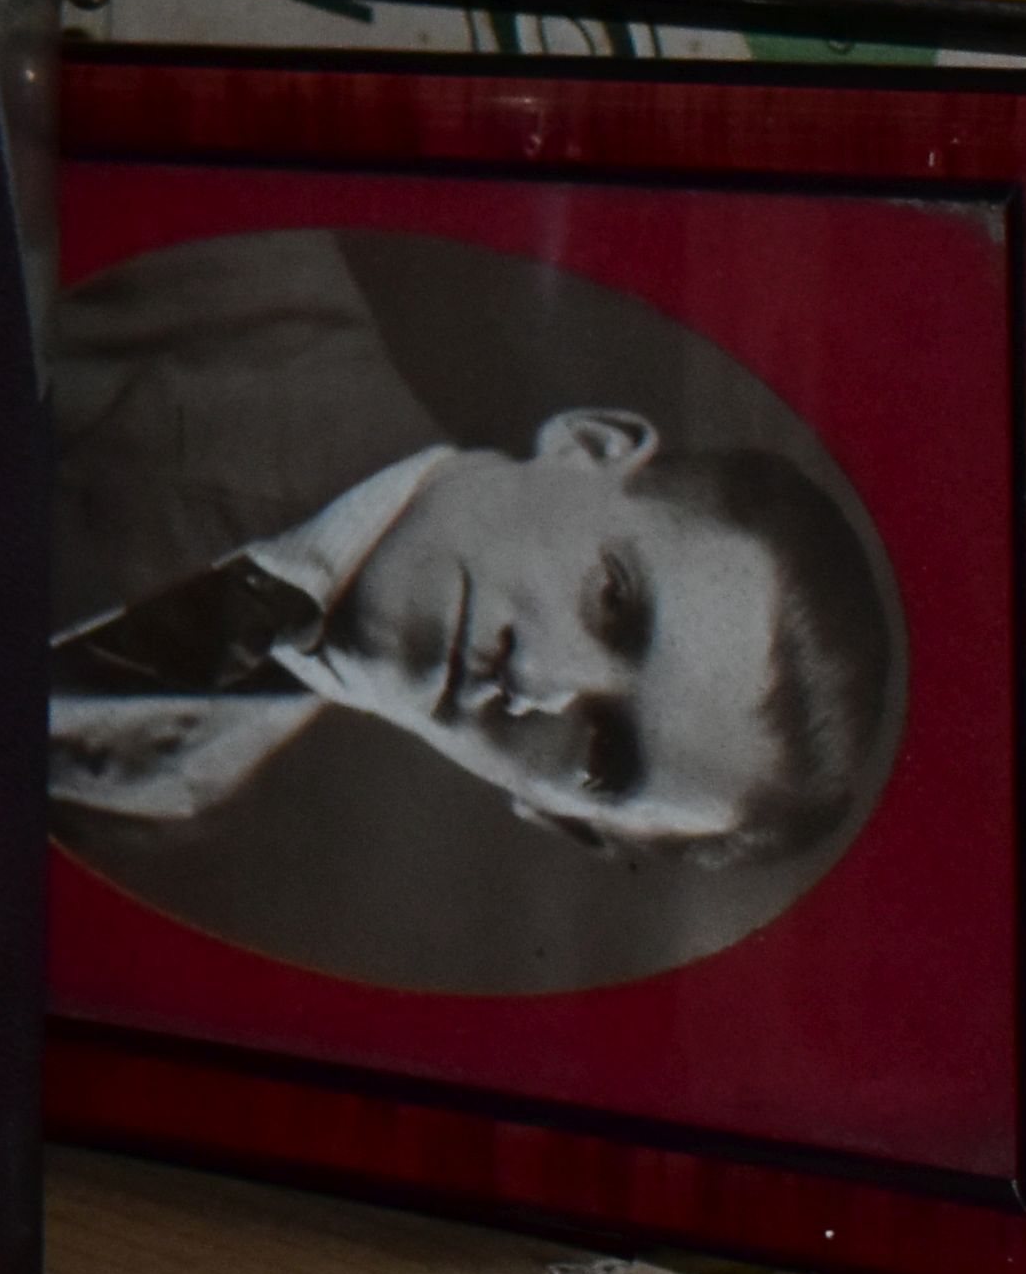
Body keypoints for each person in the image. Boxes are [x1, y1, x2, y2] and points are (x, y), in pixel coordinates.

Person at [50, 229, 902, 870]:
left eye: (605, 756)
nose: (542, 685)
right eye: (613, 602)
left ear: (552, 817)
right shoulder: (220, 273)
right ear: (591, 445)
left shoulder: (170, 786)